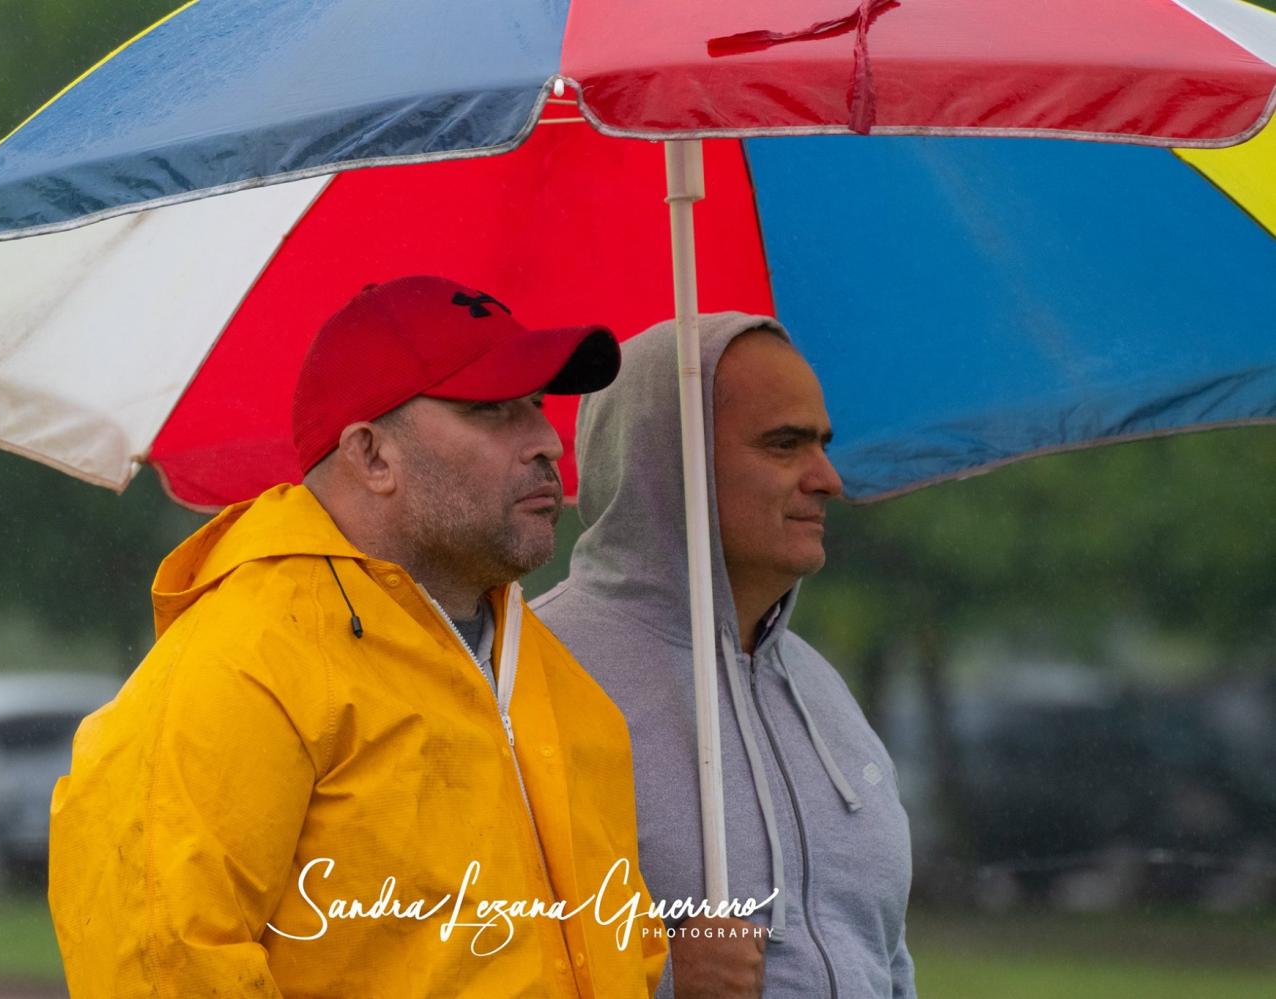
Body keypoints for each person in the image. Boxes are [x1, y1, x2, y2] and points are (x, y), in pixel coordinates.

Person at [48, 276, 668, 997]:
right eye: (492, 409)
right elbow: (158, 961)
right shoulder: (246, 658)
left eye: (536, 404)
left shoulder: (558, 681)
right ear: (372, 455)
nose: (545, 441)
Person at [535, 314, 916, 998]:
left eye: (822, 444)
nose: (828, 477)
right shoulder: (530, 677)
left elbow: (886, 960)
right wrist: (660, 977)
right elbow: (458, 948)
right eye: (784, 445)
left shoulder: (822, 690)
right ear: (666, 458)